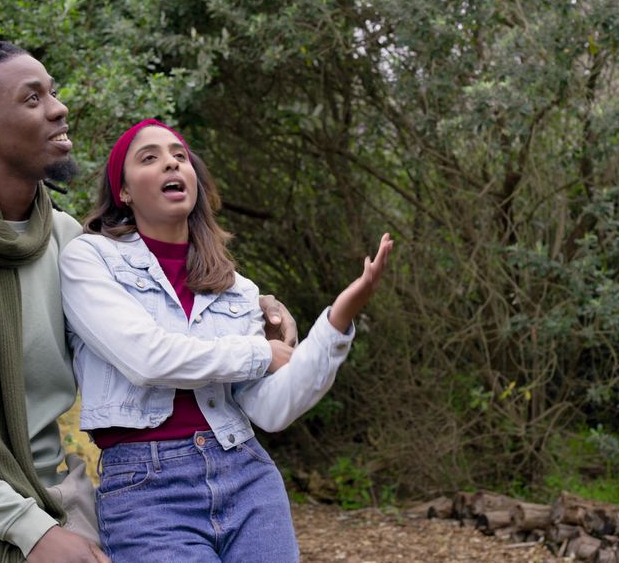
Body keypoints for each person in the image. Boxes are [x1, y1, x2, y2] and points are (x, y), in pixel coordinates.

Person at [0, 39, 297, 563]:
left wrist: (258, 310)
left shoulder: (67, 241)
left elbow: (162, 303)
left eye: (53, 92)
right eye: (32, 98)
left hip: (61, 494)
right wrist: (32, 532)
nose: (58, 107)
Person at [59, 119, 394, 562]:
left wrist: (336, 323)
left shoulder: (237, 289)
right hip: (147, 490)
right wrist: (262, 352)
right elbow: (147, 359)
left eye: (179, 155)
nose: (170, 163)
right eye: (149, 157)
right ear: (122, 191)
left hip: (247, 478)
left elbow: (272, 410)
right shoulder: (89, 258)